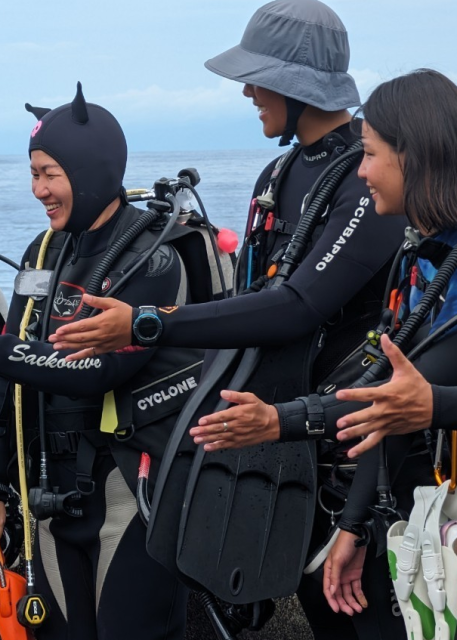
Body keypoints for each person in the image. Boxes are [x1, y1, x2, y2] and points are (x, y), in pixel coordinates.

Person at [48, 2, 411, 639]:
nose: (246, 91)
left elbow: (297, 305)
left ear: (299, 85)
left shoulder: (363, 178)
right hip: (279, 443)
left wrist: (148, 323)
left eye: (257, 77)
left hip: (356, 453)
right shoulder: (279, 172)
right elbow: (252, 301)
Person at [0, 83, 224, 640]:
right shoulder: (42, 253)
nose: (38, 190)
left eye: (49, 173)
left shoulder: (153, 256)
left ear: (91, 167)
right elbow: (10, 383)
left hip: (131, 488)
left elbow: (102, 370)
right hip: (53, 498)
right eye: (33, 173)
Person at [187, 68, 457, 621]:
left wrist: (278, 421)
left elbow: (407, 399)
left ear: (416, 157)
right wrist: (353, 527)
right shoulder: (419, 256)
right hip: (408, 507)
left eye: (371, 155)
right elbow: (391, 400)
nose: (361, 172)